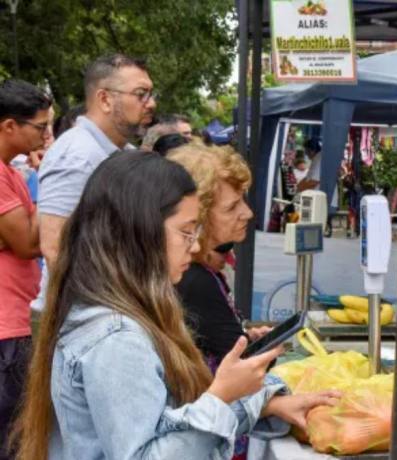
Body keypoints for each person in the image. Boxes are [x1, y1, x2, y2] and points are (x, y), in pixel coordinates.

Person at [11, 151, 339, 460]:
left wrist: (262, 405)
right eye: (186, 232)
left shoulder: (121, 315)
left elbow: (173, 429)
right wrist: (221, 397)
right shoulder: (117, 337)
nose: (194, 246)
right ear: (141, 233)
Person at [36, 54, 156, 314]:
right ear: (105, 99)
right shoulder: (76, 156)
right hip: (82, 318)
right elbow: (54, 247)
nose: (151, 103)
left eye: (150, 94)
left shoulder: (121, 153)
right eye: (141, 94)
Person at [167, 145, 262, 367]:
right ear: (198, 216)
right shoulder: (194, 278)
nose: (247, 213)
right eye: (231, 207)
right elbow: (242, 362)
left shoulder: (193, 269)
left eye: (242, 201)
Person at [0, 79, 51, 460]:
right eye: (40, 126)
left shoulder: (12, 174)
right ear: (9, 126)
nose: (46, 135)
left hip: (16, 322)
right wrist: (51, 178)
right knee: (13, 438)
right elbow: (30, 243)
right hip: (7, 329)